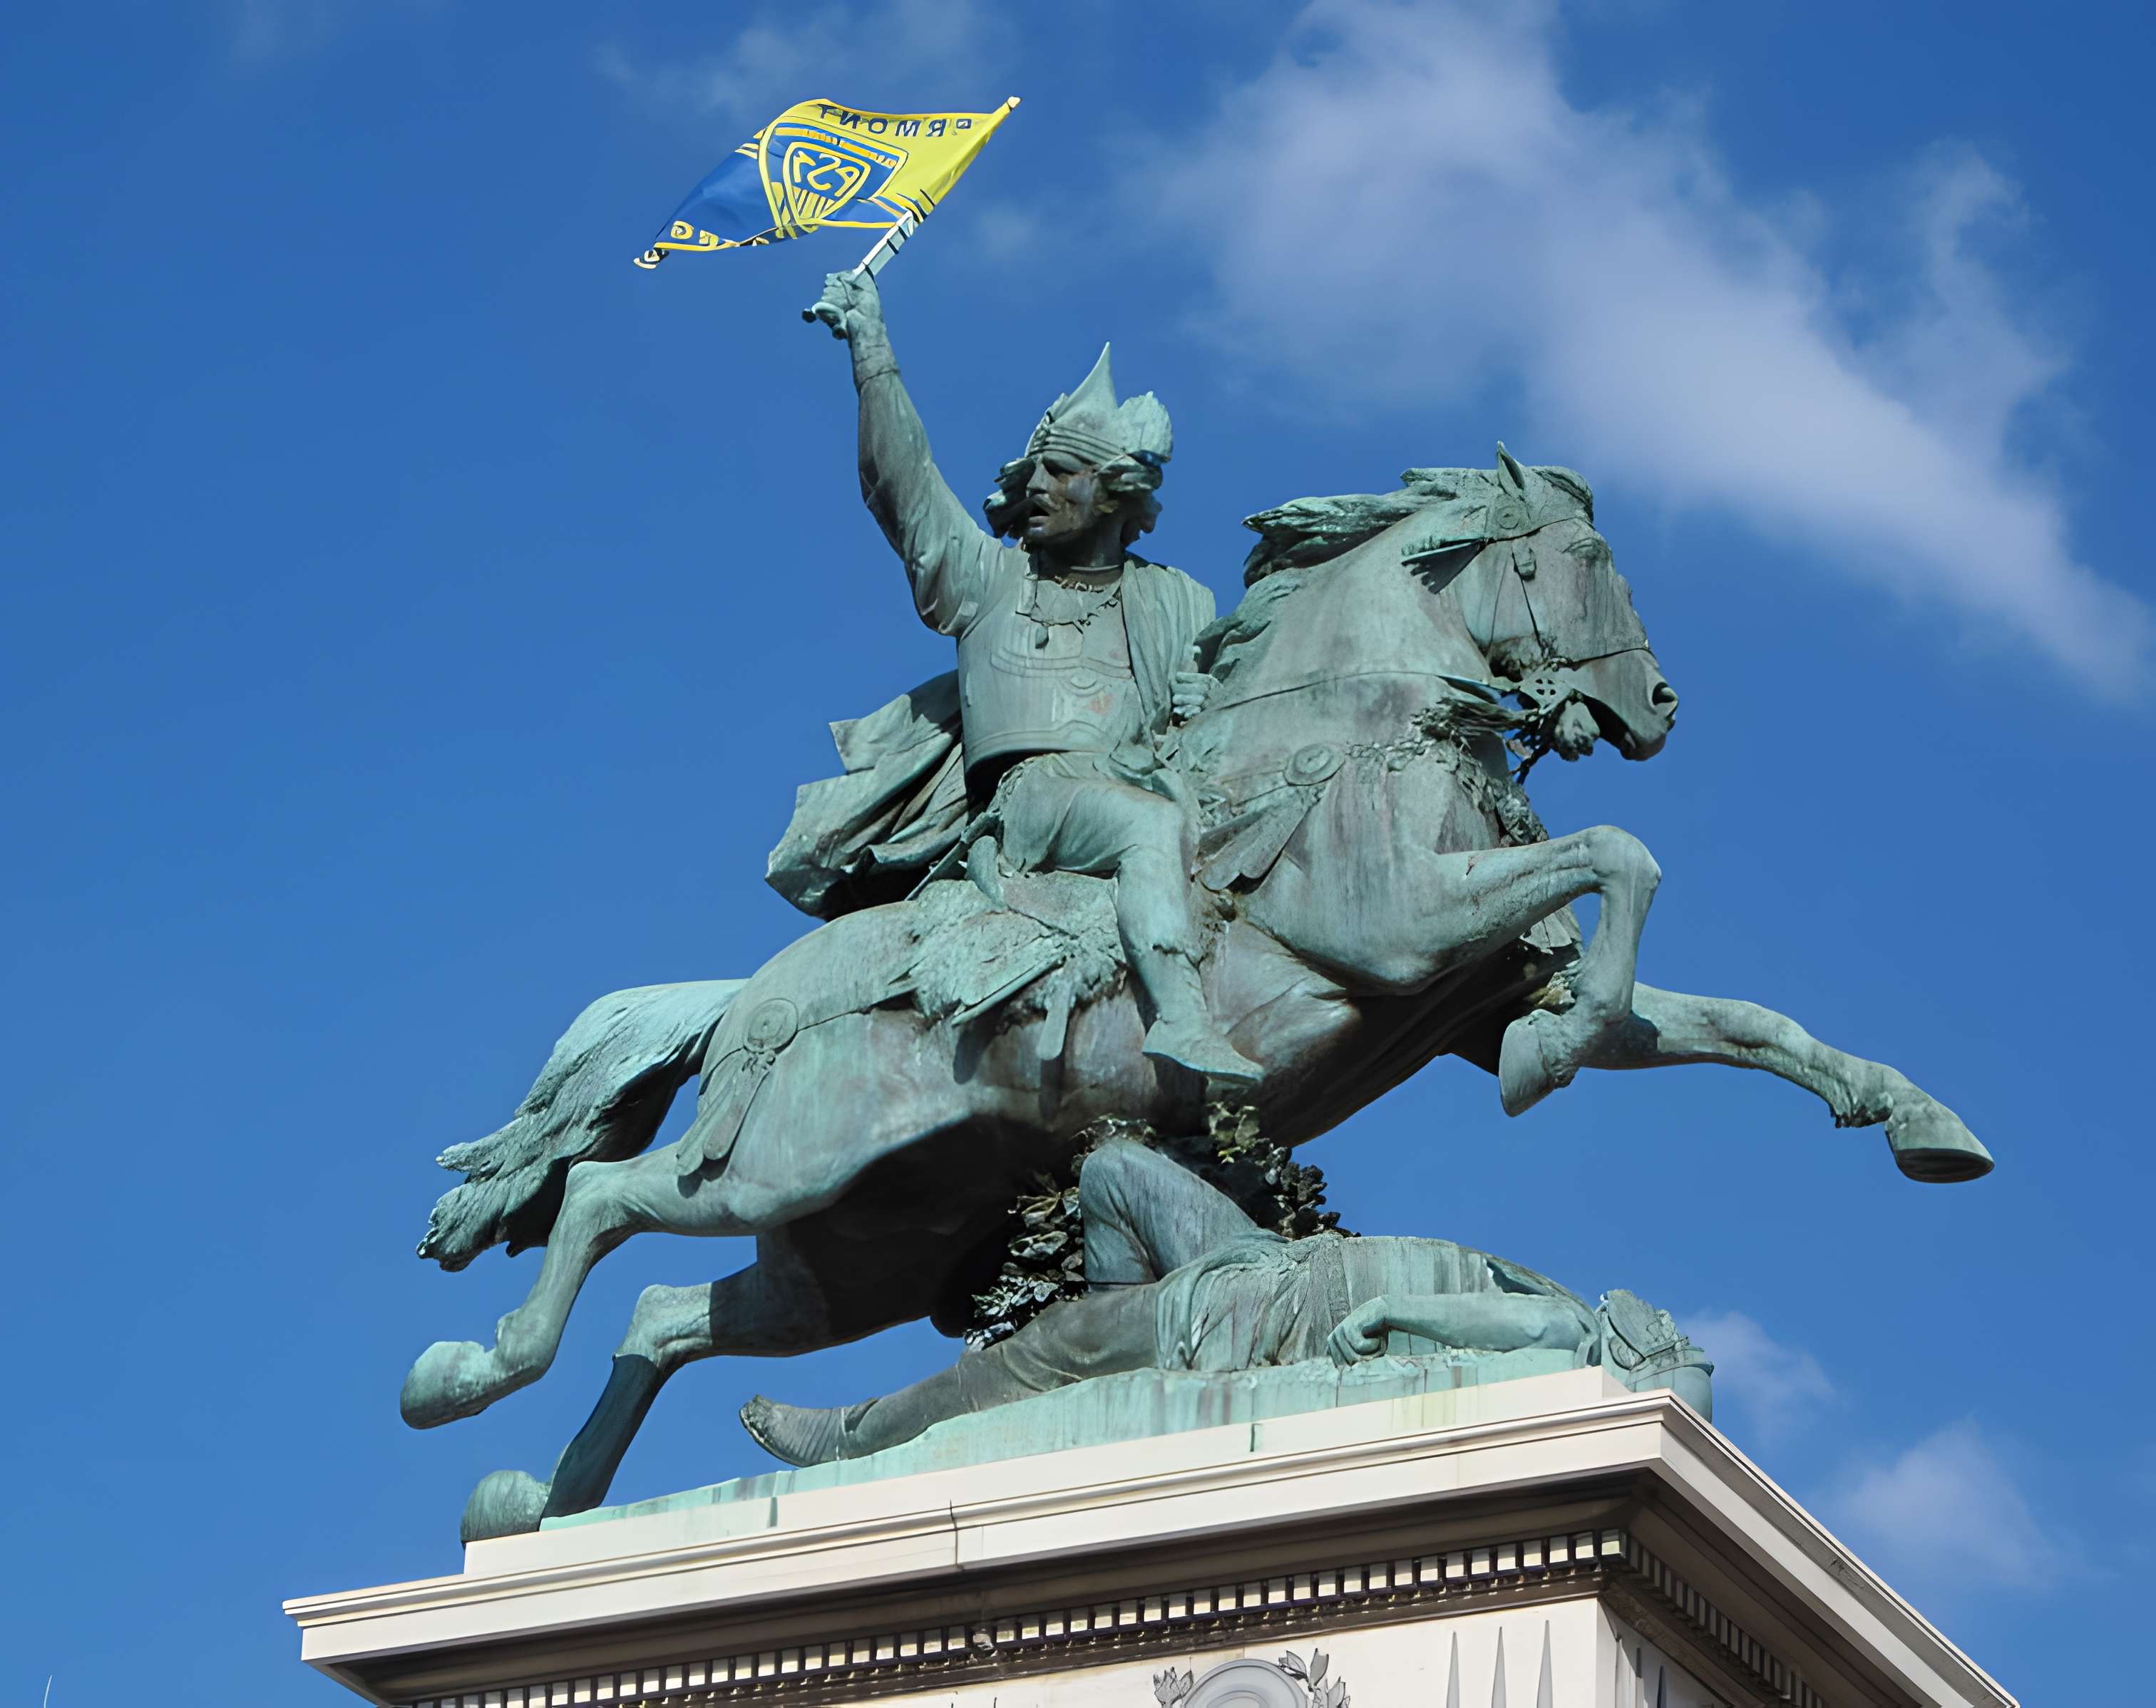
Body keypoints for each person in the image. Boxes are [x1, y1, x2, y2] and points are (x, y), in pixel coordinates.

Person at [789, 269, 1261, 1084]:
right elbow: (904, 488)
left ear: (1116, 492)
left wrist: (1200, 706)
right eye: (1035, 472)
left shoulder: (1179, 598)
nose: (1036, 487)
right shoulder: (991, 581)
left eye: (1062, 472)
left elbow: (1206, 726)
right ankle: (1183, 1016)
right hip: (1035, 800)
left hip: (1151, 781)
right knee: (1148, 827)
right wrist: (873, 353)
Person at [739, 1141, 1710, 1466]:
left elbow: (1471, 1325)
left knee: (1042, 1351)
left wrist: (1381, 1323)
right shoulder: (1558, 1310)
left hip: (1255, 1309)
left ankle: (859, 1437)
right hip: (1271, 1264)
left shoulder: (1568, 1339)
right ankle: (1127, 1340)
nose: (1657, 1322)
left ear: (1637, 1358)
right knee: (1115, 1168)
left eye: (1660, 1341)